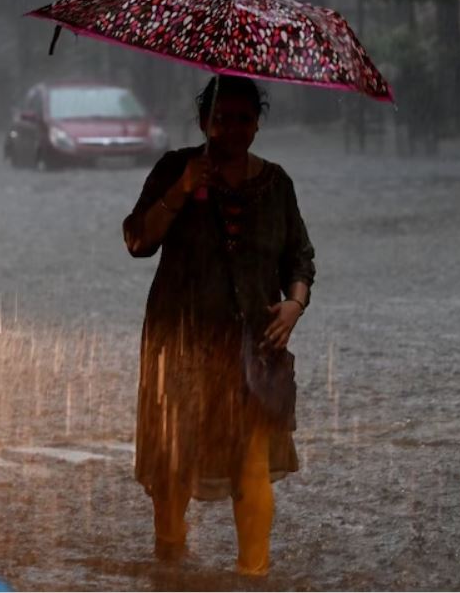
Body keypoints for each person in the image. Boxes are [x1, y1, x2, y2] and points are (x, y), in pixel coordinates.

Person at [122, 75, 316, 576]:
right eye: (221, 119)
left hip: (254, 341)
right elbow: (138, 241)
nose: (231, 129)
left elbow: (299, 259)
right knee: (174, 453)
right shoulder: (175, 168)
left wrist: (294, 305)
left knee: (251, 456)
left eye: (243, 120)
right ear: (204, 120)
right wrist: (182, 190)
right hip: (179, 337)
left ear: (257, 125)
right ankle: (170, 554)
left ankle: (254, 573)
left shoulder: (276, 184)